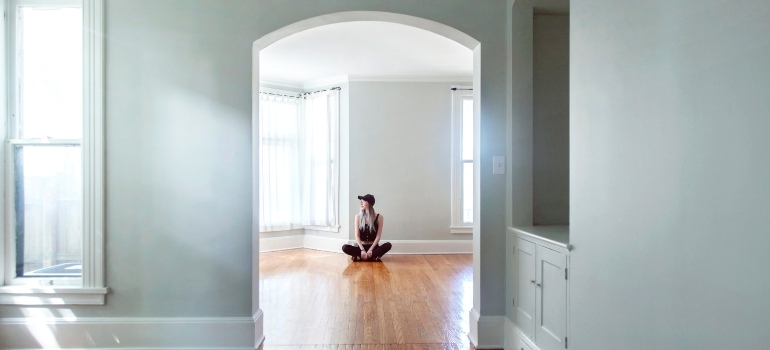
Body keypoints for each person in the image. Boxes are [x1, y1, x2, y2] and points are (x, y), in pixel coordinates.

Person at [342, 194, 392, 261]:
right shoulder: (358, 217)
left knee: (388, 245)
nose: (361, 203)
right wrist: (362, 250)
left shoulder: (379, 217)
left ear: (369, 203)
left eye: (363, 201)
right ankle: (372, 257)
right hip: (361, 247)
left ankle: (362, 256)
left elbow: (378, 237)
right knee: (345, 247)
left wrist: (370, 250)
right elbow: (357, 236)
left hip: (373, 247)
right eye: (361, 201)